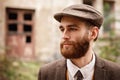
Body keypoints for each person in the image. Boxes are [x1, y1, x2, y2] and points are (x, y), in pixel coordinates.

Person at [38, 4, 120, 80]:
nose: (64, 36)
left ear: (93, 33)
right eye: (62, 29)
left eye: (72, 29)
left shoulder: (116, 73)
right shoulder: (46, 74)